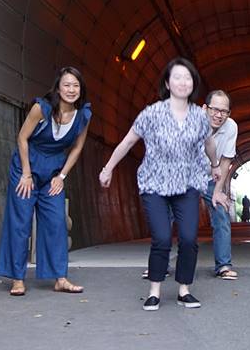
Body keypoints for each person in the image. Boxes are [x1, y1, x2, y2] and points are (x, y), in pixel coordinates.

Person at [99, 58, 225, 311]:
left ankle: (184, 290)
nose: (182, 82)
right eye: (177, 77)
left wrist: (214, 165)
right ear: (167, 83)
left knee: (188, 238)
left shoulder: (199, 117)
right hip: (155, 184)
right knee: (162, 238)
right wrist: (108, 168)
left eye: (187, 78)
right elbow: (128, 141)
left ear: (193, 83)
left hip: (187, 184)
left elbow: (209, 144)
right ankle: (154, 290)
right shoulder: (151, 113)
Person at [0, 66, 92, 296]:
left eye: (76, 85)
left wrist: (62, 176)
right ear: (58, 88)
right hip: (27, 166)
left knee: (56, 221)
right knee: (20, 222)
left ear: (81, 89)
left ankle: (60, 278)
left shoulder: (83, 115)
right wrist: (26, 173)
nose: (71, 90)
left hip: (53, 171)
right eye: (67, 85)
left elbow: (77, 148)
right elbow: (22, 137)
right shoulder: (42, 108)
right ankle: (17, 279)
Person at [204, 90, 239, 280]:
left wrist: (218, 191)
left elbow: (226, 161)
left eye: (224, 111)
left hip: (211, 177)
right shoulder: (190, 122)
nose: (219, 115)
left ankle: (223, 265)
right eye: (214, 110)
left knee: (221, 213)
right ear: (205, 108)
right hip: (184, 176)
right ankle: (159, 265)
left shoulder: (231, 127)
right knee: (168, 214)